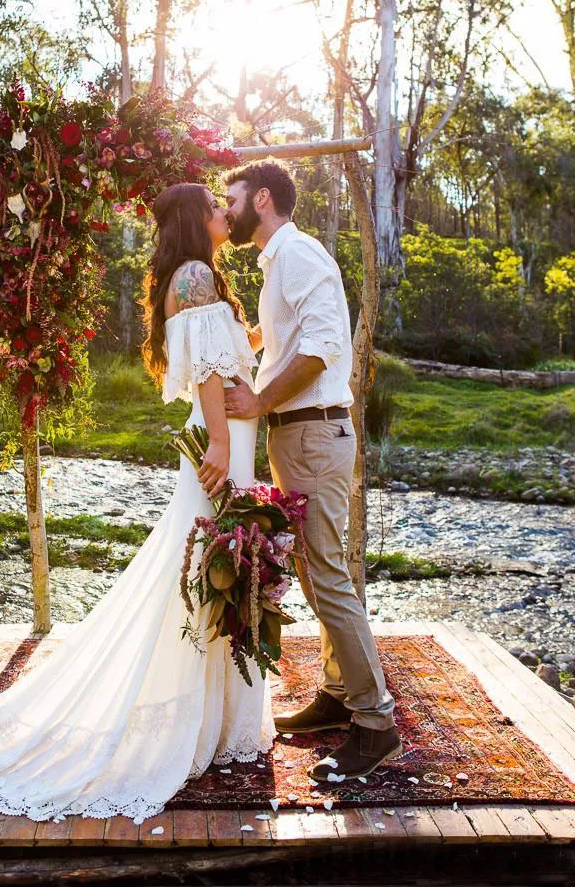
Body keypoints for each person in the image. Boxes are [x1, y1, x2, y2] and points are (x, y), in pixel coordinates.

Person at [0, 182, 274, 822]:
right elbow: (212, 373)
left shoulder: (200, 274)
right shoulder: (193, 275)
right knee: (198, 567)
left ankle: (213, 718)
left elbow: (231, 358)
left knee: (210, 565)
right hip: (223, 441)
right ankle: (190, 719)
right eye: (216, 206)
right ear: (196, 218)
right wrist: (220, 440)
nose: (226, 213)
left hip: (234, 435)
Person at [223, 159, 402, 781]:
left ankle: (376, 723)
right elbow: (285, 344)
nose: (228, 208)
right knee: (312, 568)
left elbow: (324, 347)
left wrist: (259, 400)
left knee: (326, 573)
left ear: (263, 199)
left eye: (234, 197)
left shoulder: (298, 255)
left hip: (314, 431)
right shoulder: (278, 264)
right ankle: (336, 694)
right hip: (297, 435)